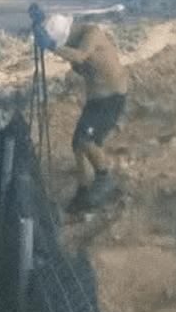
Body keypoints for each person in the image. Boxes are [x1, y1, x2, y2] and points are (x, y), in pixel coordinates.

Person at [48, 13, 130, 212]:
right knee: (77, 144)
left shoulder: (91, 33)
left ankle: (104, 177)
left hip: (111, 98)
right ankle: (84, 191)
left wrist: (52, 47)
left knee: (86, 140)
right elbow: (80, 66)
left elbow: (80, 56)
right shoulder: (76, 41)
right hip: (96, 100)